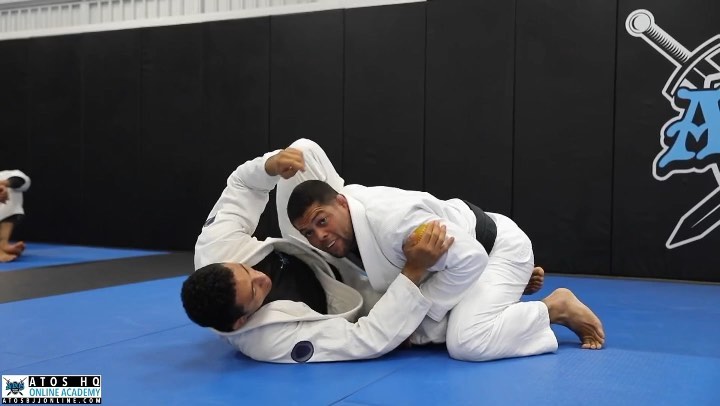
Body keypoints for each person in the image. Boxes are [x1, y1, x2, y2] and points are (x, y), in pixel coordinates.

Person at [286, 164, 606, 361]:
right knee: (406, 326)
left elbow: (471, 258)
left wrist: (414, 317)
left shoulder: (396, 224)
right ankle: (504, 294)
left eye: (322, 221)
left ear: (341, 202)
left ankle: (553, 308)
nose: (320, 236)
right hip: (461, 260)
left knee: (465, 342)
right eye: (308, 232)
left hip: (495, 250)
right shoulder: (348, 220)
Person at [182, 139, 455, 363]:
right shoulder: (268, 340)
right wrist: (413, 272)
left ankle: (346, 212)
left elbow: (243, 185)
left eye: (246, 270)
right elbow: (366, 339)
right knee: (436, 328)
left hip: (306, 248)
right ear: (241, 321)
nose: (260, 277)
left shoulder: (216, 247)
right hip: (347, 294)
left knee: (300, 153)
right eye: (254, 291)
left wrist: (269, 166)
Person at [0, 170, 31, 263]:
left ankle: (3, 244)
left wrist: (2, 185)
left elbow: (19, 181)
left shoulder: (5, 174)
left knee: (12, 191)